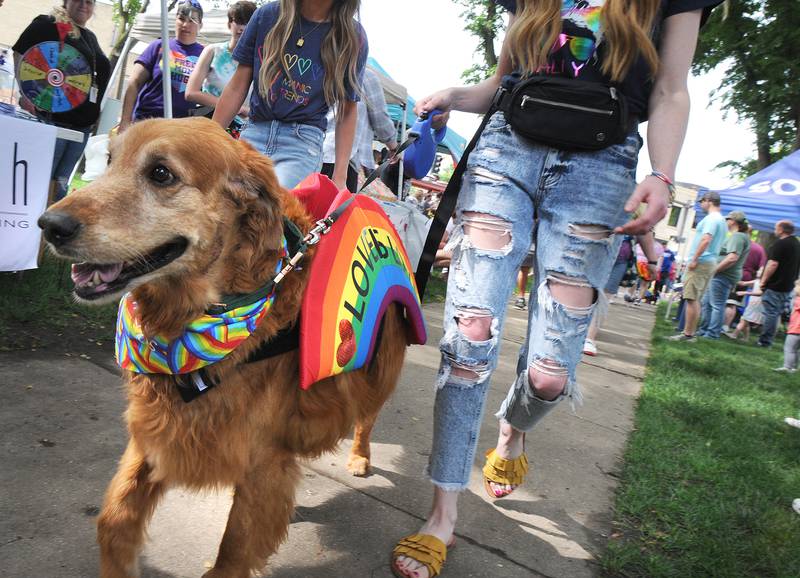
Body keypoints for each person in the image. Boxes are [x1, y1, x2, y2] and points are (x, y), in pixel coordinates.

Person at [390, 1, 723, 577]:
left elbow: (671, 89)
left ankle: (511, 432)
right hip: (506, 151)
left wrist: (663, 175)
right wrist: (452, 95)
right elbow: (502, 83)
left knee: (549, 377)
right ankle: (442, 514)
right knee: (469, 335)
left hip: (601, 166)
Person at [213, 0, 367, 190]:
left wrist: (340, 178)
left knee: (274, 203)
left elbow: (348, 109)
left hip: (302, 143)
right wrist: (211, 138)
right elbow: (238, 85)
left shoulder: (352, 36)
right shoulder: (267, 15)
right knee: (229, 200)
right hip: (254, 131)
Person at [13, 0, 111, 200]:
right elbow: (20, 52)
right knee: (40, 183)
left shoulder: (89, 37)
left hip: (82, 125)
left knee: (60, 185)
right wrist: (26, 93)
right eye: (78, 0)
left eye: (90, 2)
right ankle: (31, 228)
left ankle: (47, 229)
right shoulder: (49, 24)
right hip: (53, 120)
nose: (84, 5)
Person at [119, 0, 204, 131]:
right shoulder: (159, 45)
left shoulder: (205, 55)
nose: (185, 24)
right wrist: (125, 120)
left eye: (192, 20)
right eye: (181, 18)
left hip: (180, 129)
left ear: (200, 25)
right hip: (146, 122)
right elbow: (134, 82)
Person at [321, 67, 398, 192]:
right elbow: (380, 119)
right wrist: (394, 146)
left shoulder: (325, 66)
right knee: (337, 208)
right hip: (346, 159)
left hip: (316, 152)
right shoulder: (364, 74)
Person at [185, 1, 257, 128]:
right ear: (230, 24)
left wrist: (246, 111)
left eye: (248, 23)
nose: (242, 28)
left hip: (245, 131)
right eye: (238, 21)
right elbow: (191, 92)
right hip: (210, 124)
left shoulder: (259, 60)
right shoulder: (213, 51)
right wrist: (233, 107)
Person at [584, 232, 657, 356]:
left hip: (620, 259)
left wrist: (652, 261)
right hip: (594, 247)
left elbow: (644, 232)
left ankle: (589, 338)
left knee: (604, 298)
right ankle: (577, 330)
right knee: (585, 291)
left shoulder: (639, 213)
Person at [668, 190, 727, 342]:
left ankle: (688, 334)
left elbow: (706, 239)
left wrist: (695, 259)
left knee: (691, 298)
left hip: (702, 261)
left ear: (709, 200)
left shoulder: (712, 219)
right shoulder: (721, 220)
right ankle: (690, 333)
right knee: (695, 299)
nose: (701, 204)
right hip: (709, 261)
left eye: (702, 201)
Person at [696, 210, 751, 339]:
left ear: (733, 221)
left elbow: (732, 257)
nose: (726, 222)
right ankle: (704, 330)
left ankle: (712, 333)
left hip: (723, 276)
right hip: (721, 275)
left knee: (716, 305)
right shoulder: (739, 236)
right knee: (707, 303)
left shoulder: (738, 236)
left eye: (727, 220)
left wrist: (714, 270)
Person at [757, 220, 800, 348]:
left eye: (776, 228)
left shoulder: (780, 244)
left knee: (771, 313)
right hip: (788, 285)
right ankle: (769, 339)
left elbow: (773, 264)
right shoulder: (796, 243)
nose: (775, 230)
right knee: (776, 313)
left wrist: (763, 281)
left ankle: (765, 342)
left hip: (775, 284)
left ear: (781, 229)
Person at [773, 279, 800, 373]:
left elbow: (790, 308)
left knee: (789, 348)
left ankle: (787, 366)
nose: (794, 289)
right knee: (795, 349)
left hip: (796, 329)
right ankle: (794, 368)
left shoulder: (797, 300)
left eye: (796, 286)